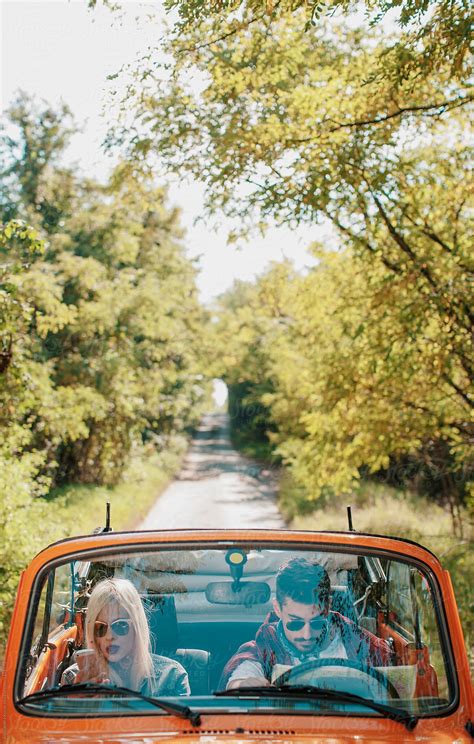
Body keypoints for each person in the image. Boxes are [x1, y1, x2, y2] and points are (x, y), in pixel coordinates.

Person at [220, 557, 391, 689]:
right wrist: (242, 684)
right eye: (295, 624)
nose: (306, 635)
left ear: (328, 607)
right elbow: (239, 678)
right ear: (277, 609)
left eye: (317, 623)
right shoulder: (264, 649)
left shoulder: (361, 644)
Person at [62, 577, 190, 696]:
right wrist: (79, 706)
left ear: (137, 627)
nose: (110, 636)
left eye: (120, 626)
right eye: (100, 627)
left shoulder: (171, 676)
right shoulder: (73, 678)